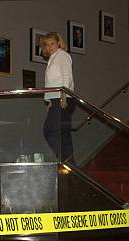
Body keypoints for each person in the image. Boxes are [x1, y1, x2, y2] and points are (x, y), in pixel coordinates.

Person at [42, 32, 75, 161]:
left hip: (63, 97)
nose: (50, 47)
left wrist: (63, 95)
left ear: (59, 43)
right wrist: (49, 99)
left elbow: (66, 76)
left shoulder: (62, 56)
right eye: (47, 45)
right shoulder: (53, 58)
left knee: (52, 131)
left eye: (52, 43)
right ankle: (68, 165)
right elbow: (50, 82)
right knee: (60, 134)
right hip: (55, 98)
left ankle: (63, 162)